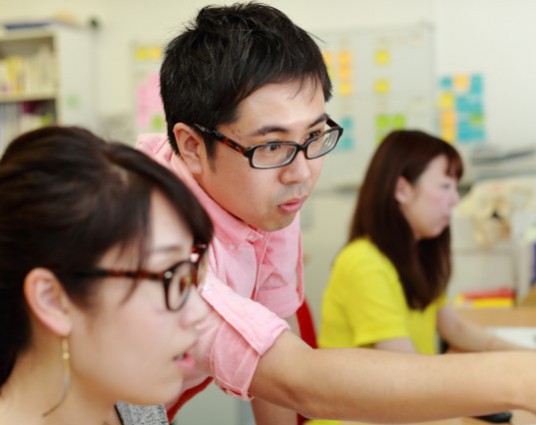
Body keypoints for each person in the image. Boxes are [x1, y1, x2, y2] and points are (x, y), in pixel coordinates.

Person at [136, 3, 536, 424]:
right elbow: (298, 380)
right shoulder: (155, 236)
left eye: (313, 136)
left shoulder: (268, 199)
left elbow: (278, 358)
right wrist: (519, 377)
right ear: (193, 147)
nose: (302, 173)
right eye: (272, 145)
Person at [0, 126, 213, 425]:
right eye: (167, 277)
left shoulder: (129, 404)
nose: (198, 312)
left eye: (190, 273)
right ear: (52, 300)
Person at [308, 130, 531, 425]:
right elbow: (406, 369)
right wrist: (501, 378)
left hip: (404, 408)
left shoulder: (416, 253)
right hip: (359, 418)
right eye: (445, 186)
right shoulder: (363, 262)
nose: (454, 200)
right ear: (402, 189)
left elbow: (453, 326)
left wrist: (523, 357)